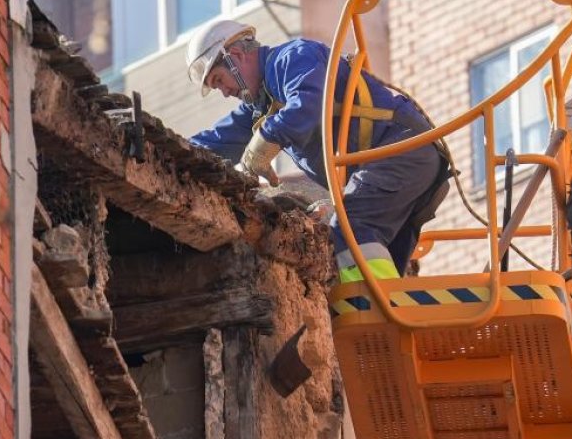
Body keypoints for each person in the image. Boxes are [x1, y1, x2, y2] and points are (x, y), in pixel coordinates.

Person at [186, 19, 449, 283]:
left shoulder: (293, 58)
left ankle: (378, 311)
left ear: (236, 56)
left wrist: (265, 140)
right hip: (404, 162)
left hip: (401, 151)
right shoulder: (261, 106)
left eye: (219, 80)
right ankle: (395, 310)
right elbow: (216, 141)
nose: (224, 92)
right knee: (384, 257)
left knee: (352, 230)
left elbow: (307, 105)